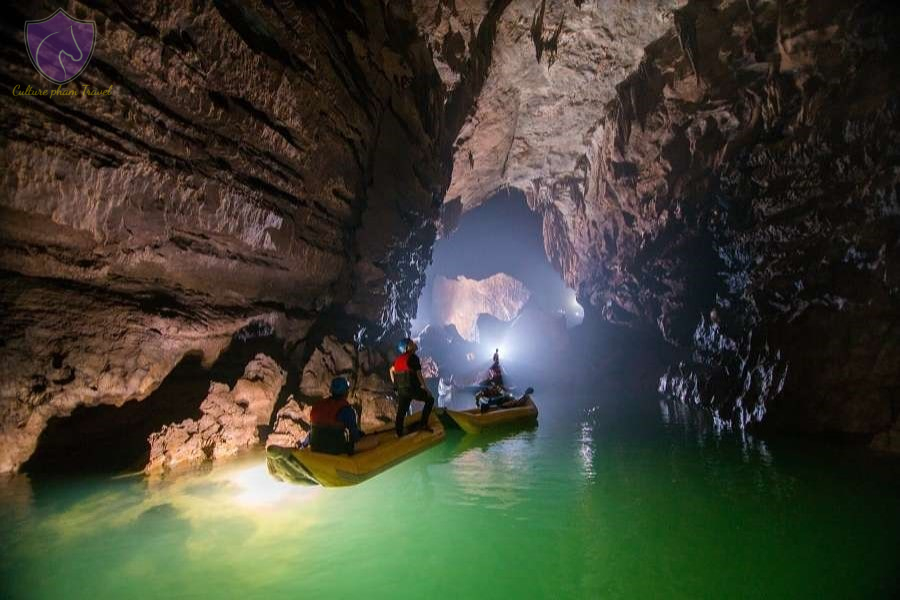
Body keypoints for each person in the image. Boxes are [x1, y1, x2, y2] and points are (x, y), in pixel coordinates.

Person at [309, 376, 378, 455]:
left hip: (315, 448)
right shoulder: (347, 411)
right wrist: (360, 435)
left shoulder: (319, 405)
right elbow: (355, 437)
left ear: (331, 391)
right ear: (346, 393)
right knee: (374, 442)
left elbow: (314, 428)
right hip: (335, 450)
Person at [389, 337, 435, 436]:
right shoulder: (413, 358)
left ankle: (399, 432)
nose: (413, 343)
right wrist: (426, 389)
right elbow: (419, 375)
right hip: (411, 389)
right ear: (406, 348)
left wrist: (395, 384)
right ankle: (423, 424)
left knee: (401, 411)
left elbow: (391, 370)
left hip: (401, 391)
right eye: (410, 343)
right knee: (430, 400)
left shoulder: (398, 360)